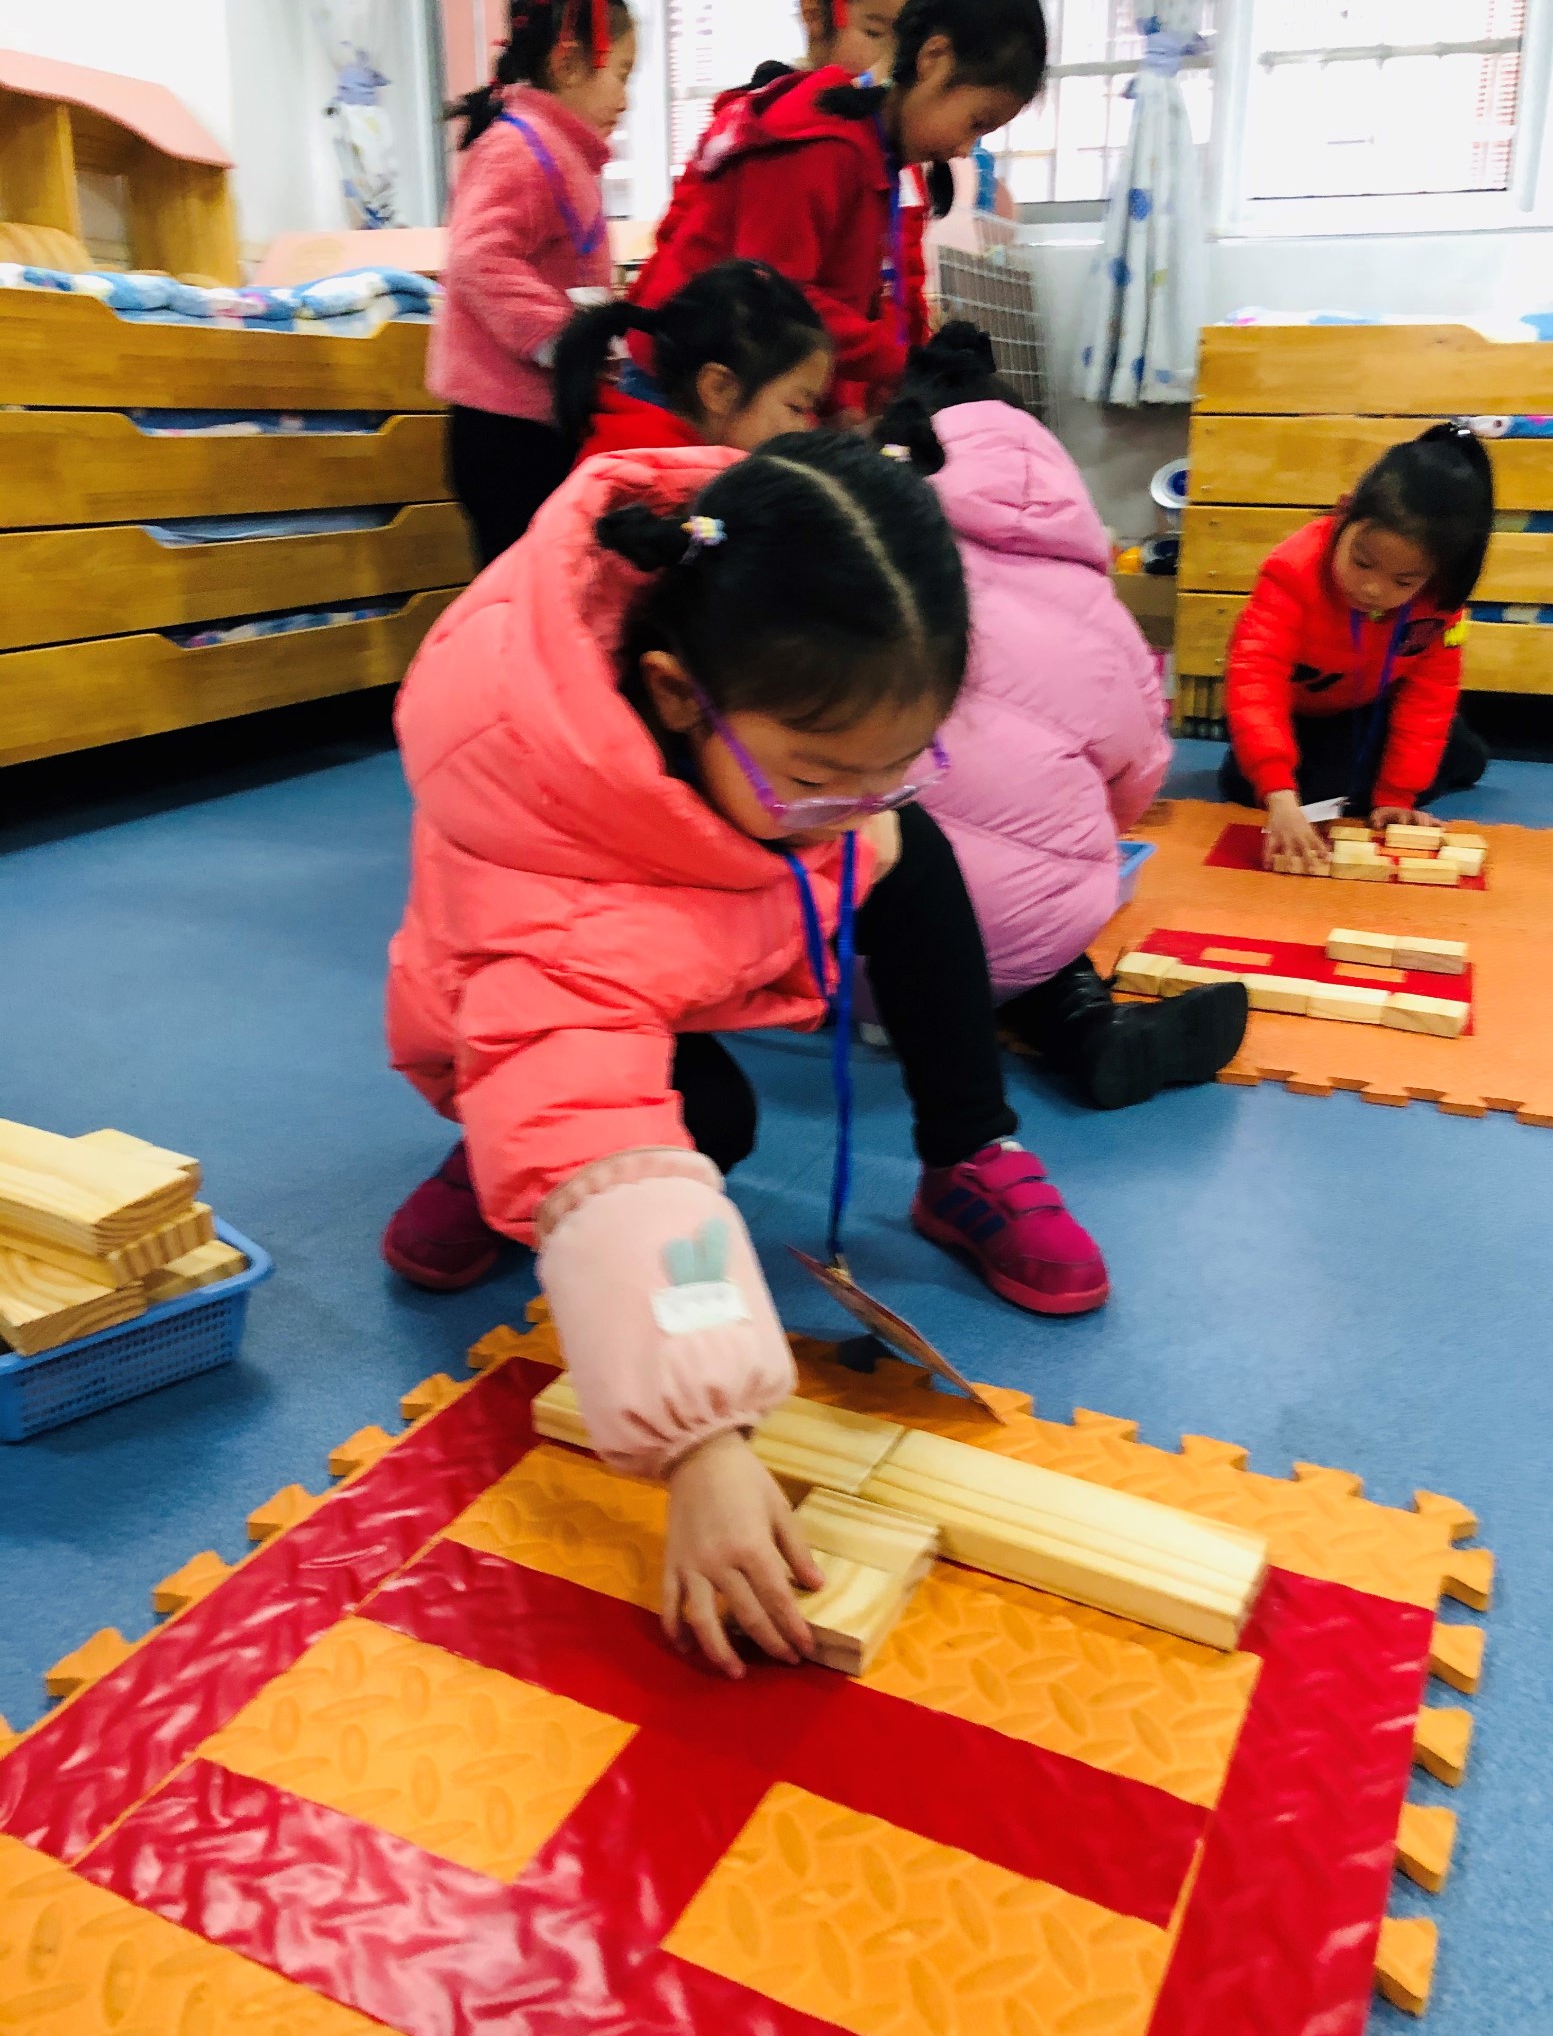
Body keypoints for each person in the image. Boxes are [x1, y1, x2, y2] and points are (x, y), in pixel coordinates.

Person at [383, 434, 1109, 1673]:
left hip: (695, 923)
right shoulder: (557, 890)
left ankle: (969, 1152)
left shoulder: (772, 635)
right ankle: (503, 1157)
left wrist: (854, 800)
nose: (860, 800)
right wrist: (703, 1447)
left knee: (912, 853)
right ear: (677, 695)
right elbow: (592, 1103)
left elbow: (855, 804)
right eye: (822, 775)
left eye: (899, 764)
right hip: (534, 1009)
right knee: (674, 1134)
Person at [876, 326, 1248, 1109]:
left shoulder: (873, 561)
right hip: (1025, 937)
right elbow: (1141, 770)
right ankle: (1087, 1022)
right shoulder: (1095, 602)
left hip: (854, 947)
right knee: (1037, 920)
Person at [629, 0, 1047, 420]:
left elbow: (849, 298)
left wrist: (859, 397)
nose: (966, 149)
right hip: (688, 387)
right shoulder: (823, 144)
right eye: (976, 123)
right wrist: (897, 367)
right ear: (933, 58)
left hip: (746, 384)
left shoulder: (879, 155)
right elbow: (778, 303)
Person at [428, 0, 635, 568]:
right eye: (621, 74)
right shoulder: (520, 148)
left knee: (547, 579)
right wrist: (561, 338)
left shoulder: (559, 151)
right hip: (505, 428)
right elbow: (477, 254)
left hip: (535, 419)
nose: (626, 99)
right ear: (568, 65)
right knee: (521, 586)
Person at [1220, 423, 1494, 871]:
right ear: (1343, 514)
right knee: (1267, 786)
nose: (1373, 589)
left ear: (1436, 574)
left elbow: (1428, 697)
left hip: (1368, 705)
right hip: (1295, 712)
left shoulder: (1440, 604)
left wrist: (1398, 797)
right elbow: (1256, 679)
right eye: (1362, 562)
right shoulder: (1291, 571)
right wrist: (1278, 793)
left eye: (1403, 582)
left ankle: (1453, 756)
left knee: (1441, 752)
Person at [555, 260, 833, 461]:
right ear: (719, 389)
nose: (808, 427)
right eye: (797, 408)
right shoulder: (659, 481)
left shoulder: (665, 456)